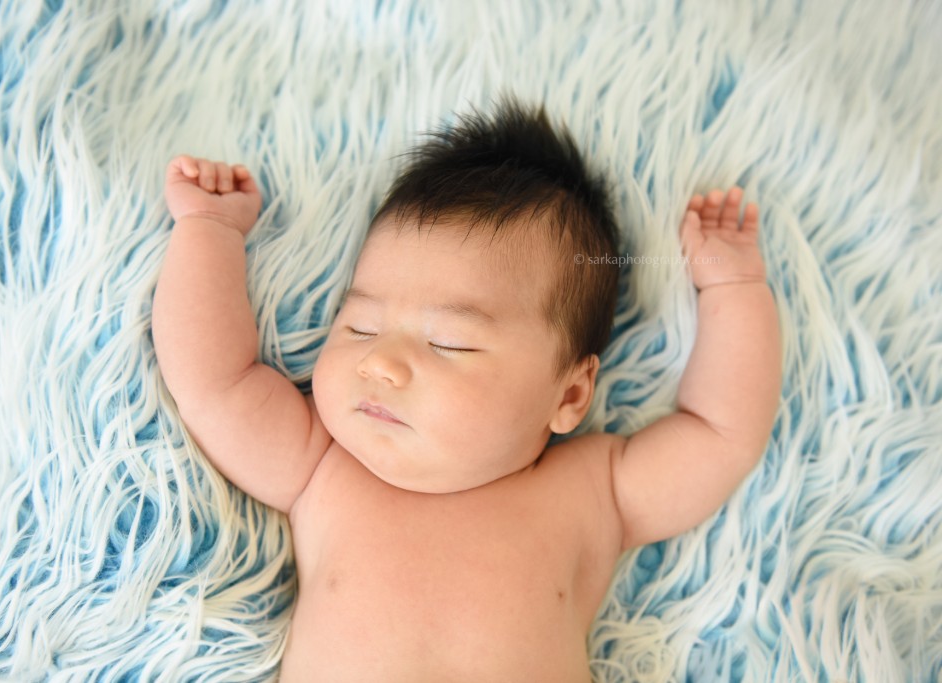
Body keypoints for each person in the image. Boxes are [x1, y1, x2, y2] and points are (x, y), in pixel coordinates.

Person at [152, 99, 781, 681]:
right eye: (360, 325)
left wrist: (733, 287)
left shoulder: (592, 493)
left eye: (448, 342)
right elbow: (216, 380)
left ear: (568, 396)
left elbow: (718, 432)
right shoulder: (323, 464)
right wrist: (208, 229)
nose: (382, 363)